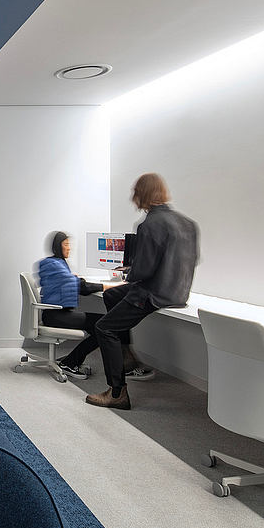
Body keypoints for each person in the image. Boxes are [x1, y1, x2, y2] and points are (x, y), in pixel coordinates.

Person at [86, 173, 199, 410]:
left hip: (153, 294)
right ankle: (125, 354)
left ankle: (117, 392)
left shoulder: (149, 224)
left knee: (104, 328)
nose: (132, 197)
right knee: (110, 295)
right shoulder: (188, 223)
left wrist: (129, 271)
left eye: (134, 192)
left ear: (143, 194)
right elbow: (191, 260)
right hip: (178, 293)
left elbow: (144, 271)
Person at [37, 231, 122, 379]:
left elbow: (69, 282)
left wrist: (74, 279)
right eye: (66, 244)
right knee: (104, 326)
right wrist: (109, 286)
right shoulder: (55, 266)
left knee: (102, 325)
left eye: (69, 244)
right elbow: (82, 288)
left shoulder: (54, 264)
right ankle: (70, 362)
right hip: (56, 316)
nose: (69, 248)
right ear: (58, 246)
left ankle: (71, 360)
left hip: (56, 314)